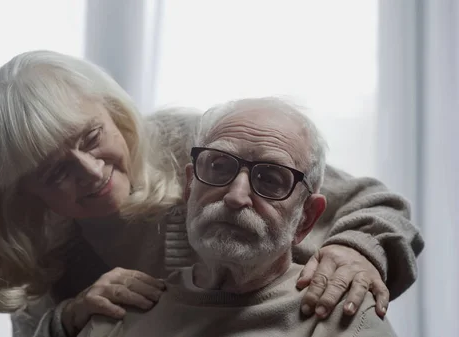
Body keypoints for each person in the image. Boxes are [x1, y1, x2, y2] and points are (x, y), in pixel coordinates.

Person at [0, 50, 423, 337]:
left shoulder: (196, 147)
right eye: (54, 173)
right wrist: (70, 317)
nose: (91, 172)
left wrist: (356, 247)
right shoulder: (32, 247)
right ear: (22, 196)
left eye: (91, 137)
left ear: (114, 113)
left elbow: (374, 203)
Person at [78, 98, 397, 337]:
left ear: (305, 218)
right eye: (218, 167)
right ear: (190, 187)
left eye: (270, 179)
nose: (235, 196)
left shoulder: (345, 319)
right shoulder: (118, 315)